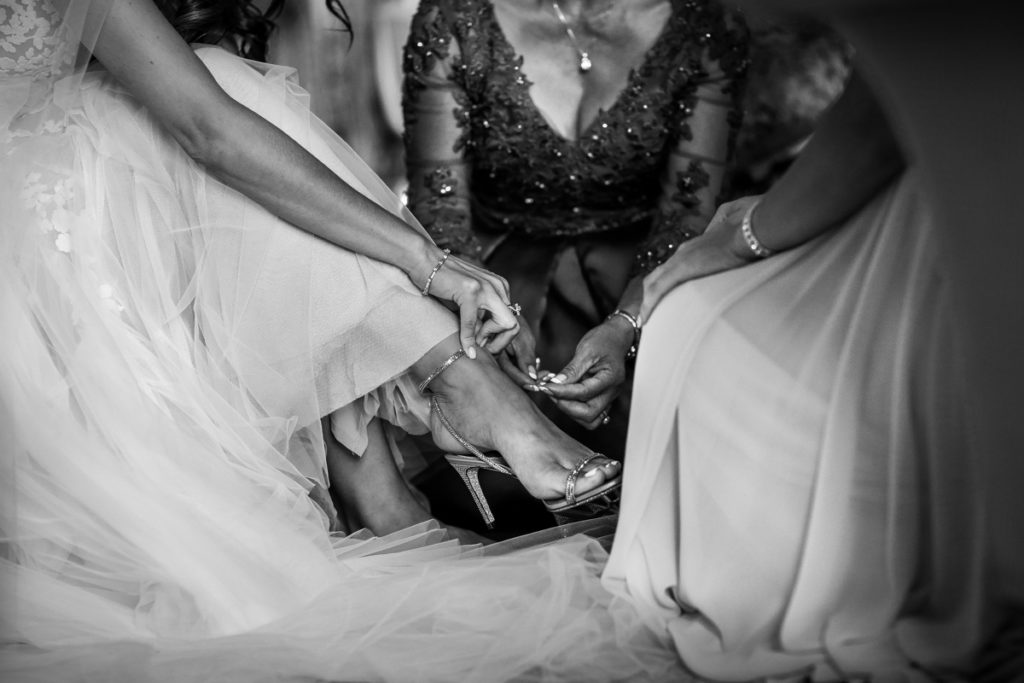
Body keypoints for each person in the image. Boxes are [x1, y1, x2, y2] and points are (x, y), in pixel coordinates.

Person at [0, 3, 669, 678]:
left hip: (98, 192)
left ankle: (390, 490)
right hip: (33, 240)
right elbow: (208, 129)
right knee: (214, 99)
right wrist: (429, 264)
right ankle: (450, 407)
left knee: (220, 121)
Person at [601, 58, 1019, 678]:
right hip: (943, 172)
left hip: (962, 188)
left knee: (693, 323)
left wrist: (740, 238)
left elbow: (878, 114)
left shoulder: (702, 38)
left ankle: (821, 572)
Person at [402, 0, 748, 457]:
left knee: (692, 438)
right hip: (489, 276)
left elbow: (689, 213)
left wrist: (629, 324)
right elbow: (439, 205)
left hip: (653, 276)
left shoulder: (704, 23)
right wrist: (489, 306)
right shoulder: (456, 19)